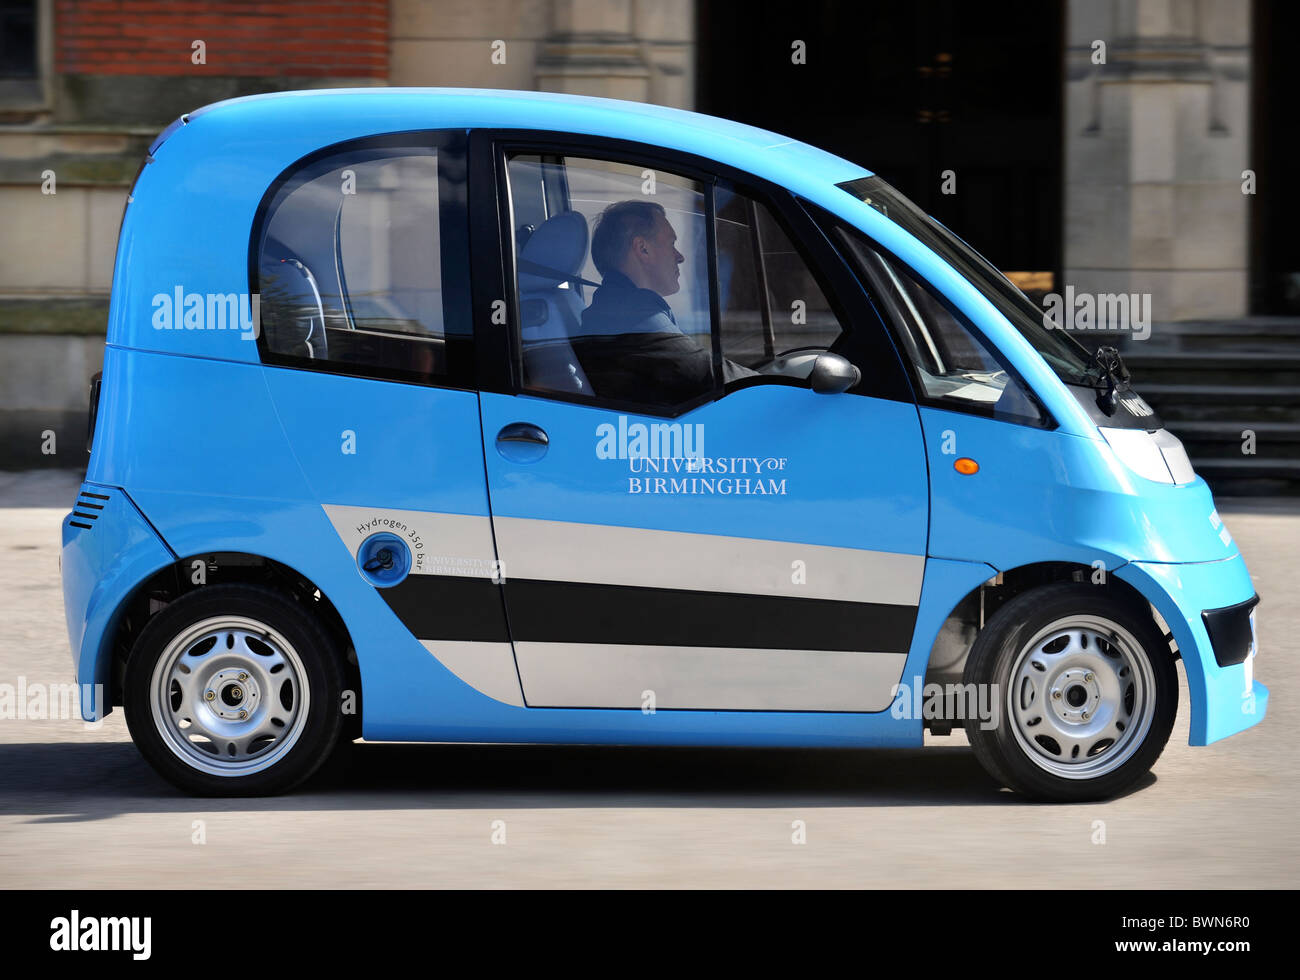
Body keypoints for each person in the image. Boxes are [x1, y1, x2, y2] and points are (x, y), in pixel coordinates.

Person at [573, 200, 755, 403]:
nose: (680, 256)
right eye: (671, 243)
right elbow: (709, 375)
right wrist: (777, 387)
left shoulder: (612, 306)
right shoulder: (633, 315)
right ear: (643, 249)